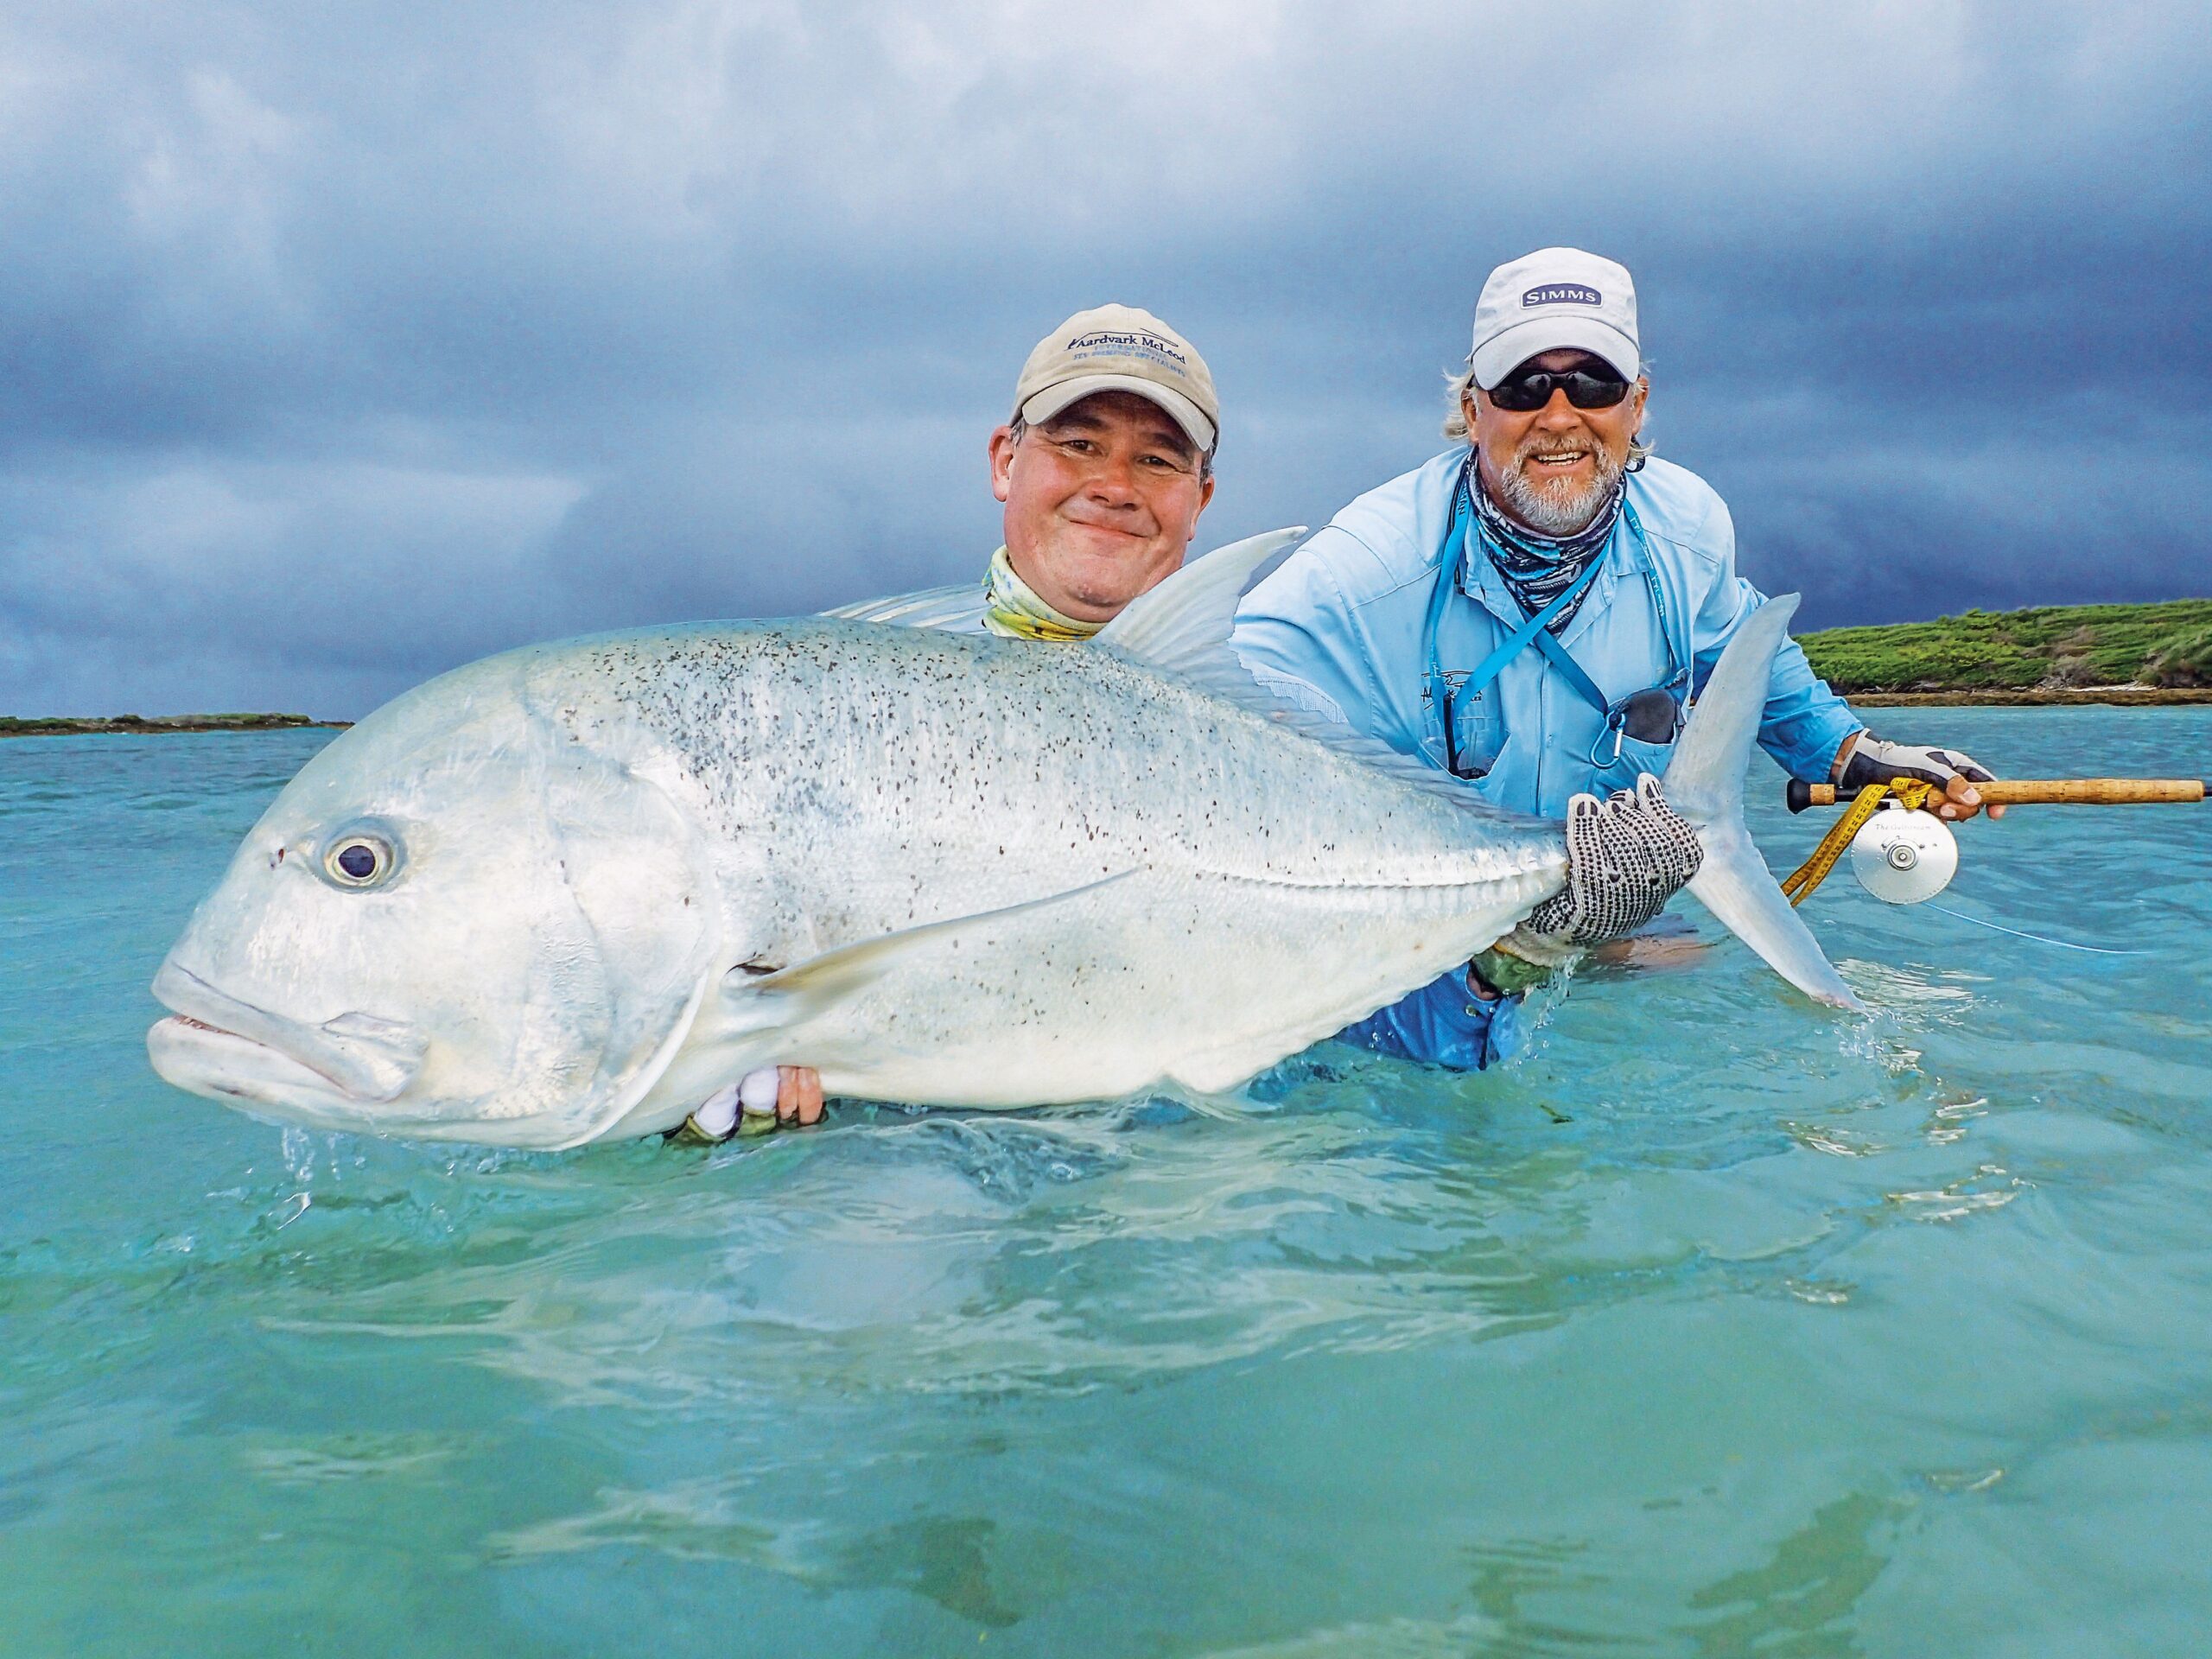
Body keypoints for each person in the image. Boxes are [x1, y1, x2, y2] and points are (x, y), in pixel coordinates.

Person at [1231, 247, 2000, 1072]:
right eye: (1524, 386)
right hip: (1424, 946)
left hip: (1610, 915)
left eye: (1593, 382)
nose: (1559, 415)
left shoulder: (1687, 527)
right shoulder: (1359, 576)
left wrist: (1852, 755)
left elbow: (1737, 646)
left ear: (1637, 403)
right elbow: (1217, 707)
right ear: (1471, 407)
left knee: (1685, 984)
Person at [690, 305, 1224, 1137]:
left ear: (1202, 502)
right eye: (1078, 444)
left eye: (1156, 460)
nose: (1115, 486)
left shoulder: (1277, 723)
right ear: (1005, 460)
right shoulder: (837, 701)